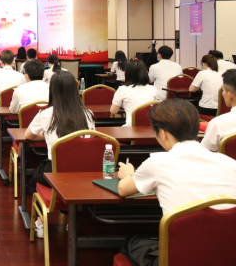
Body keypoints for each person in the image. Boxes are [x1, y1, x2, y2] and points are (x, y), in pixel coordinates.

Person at [117, 99, 236, 266]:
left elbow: (124, 190)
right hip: (232, 263)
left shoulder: (158, 162)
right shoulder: (232, 164)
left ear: (163, 133)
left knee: (133, 241)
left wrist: (128, 174)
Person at [23, 71, 95, 237]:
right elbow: (91, 139)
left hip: (56, 170)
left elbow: (28, 136)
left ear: (52, 90)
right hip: (84, 172)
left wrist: (46, 135)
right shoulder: (88, 113)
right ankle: (72, 221)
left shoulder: (46, 114)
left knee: (34, 181)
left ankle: (40, 222)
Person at [201, 69, 236, 152]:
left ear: (230, 95)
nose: (222, 93)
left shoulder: (217, 123)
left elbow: (205, 153)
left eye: (223, 90)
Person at [111, 59, 158, 127]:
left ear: (127, 73)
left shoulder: (122, 89)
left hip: (131, 128)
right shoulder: (152, 89)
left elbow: (113, 111)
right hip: (150, 128)